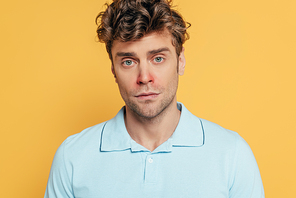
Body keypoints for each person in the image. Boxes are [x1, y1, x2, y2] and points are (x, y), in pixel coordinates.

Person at [44, 0, 264, 197]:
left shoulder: (232, 153)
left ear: (180, 61)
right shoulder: (72, 157)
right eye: (128, 61)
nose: (145, 78)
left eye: (158, 58)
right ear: (113, 69)